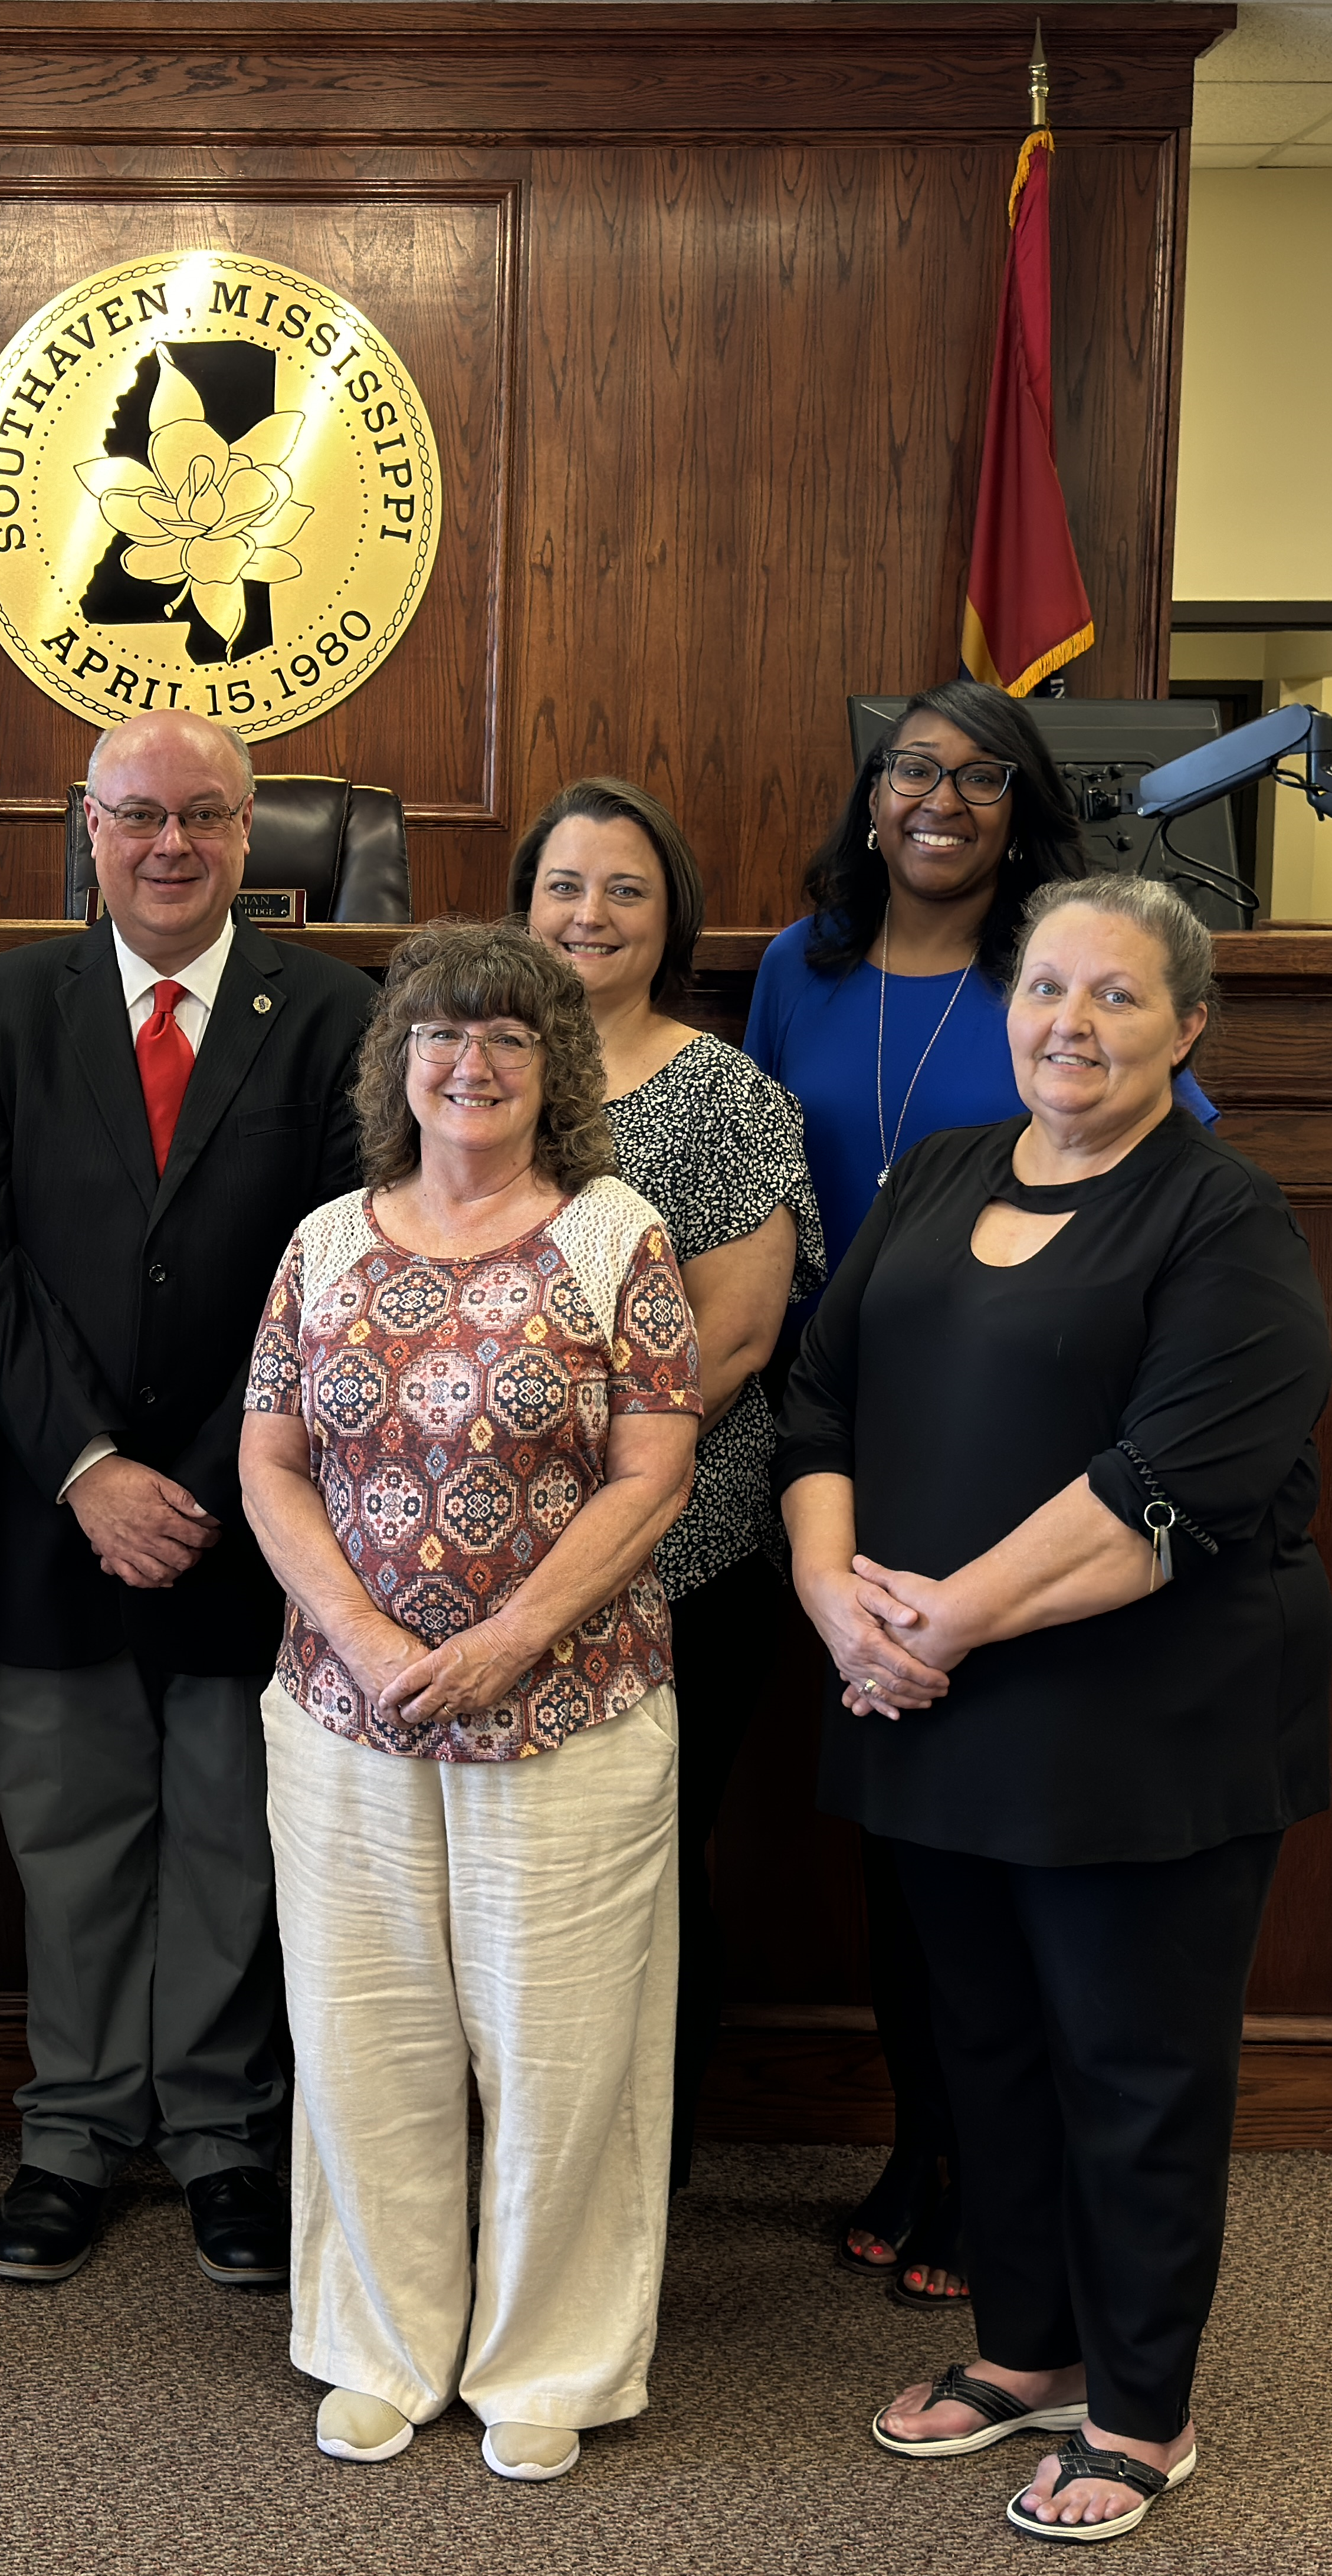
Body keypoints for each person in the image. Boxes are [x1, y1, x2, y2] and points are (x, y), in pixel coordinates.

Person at [779, 874, 1329, 2544]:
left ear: (1183, 1026)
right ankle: (1021, 2350)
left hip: (1136, 1725)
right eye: (1042, 990)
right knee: (983, 2053)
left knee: (1133, 2067)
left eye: (1111, 996)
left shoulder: (1219, 1216)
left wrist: (934, 1618)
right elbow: (821, 1396)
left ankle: (1140, 2408)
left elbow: (1164, 1482)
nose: (1065, 1025)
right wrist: (829, 1599)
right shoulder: (941, 1170)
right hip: (925, 1710)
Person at [744, 678, 1213, 2308]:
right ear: (867, 795)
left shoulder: (1067, 985)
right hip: (833, 1447)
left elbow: (1169, 1190)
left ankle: (989, 2182)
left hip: (1025, 1464)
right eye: (908, 770)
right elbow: (753, 1169)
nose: (938, 799)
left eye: (979, 777)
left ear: (1023, 810)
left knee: (1010, 1862)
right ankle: (921, 2134)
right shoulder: (795, 973)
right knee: (893, 1855)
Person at [241, 916, 701, 2482]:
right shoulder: (322, 1240)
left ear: (552, 1066)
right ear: (398, 1064)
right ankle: (378, 2342)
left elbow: (655, 1462)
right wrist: (364, 1637)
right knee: (366, 2031)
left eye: (507, 1035)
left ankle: (545, 2357)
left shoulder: (608, 1230)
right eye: (439, 1033)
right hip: (342, 1708)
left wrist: (512, 1633)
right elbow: (267, 1456)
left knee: (558, 2044)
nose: (470, 1060)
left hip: (564, 1706)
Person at [0, 707, 376, 2291]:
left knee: (224, 1830)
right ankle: (67, 2127)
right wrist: (83, 1465)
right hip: (56, 1507)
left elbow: (335, 1265)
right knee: (65, 1833)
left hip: (248, 1511)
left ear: (249, 830)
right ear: (87, 824)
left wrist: (191, 1480)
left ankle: (215, 2129)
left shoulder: (335, 1012)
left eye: (202, 813)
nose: (170, 842)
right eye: (138, 814)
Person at [514, 779, 824, 2182]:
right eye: (565, 884)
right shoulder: (461, 1067)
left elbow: (741, 1335)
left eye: (625, 889)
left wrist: (577, 1501)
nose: (590, 914)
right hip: (462, 1570)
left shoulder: (721, 1095)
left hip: (675, 1554)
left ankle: (636, 2179)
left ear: (671, 918)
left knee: (639, 1878)